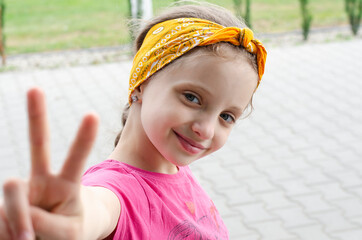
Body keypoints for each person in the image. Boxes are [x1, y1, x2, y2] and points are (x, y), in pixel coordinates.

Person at [0, 2, 267, 240]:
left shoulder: (173, 167)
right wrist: (62, 221)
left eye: (226, 116)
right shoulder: (115, 195)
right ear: (143, 81)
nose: (206, 130)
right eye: (192, 98)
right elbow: (96, 210)